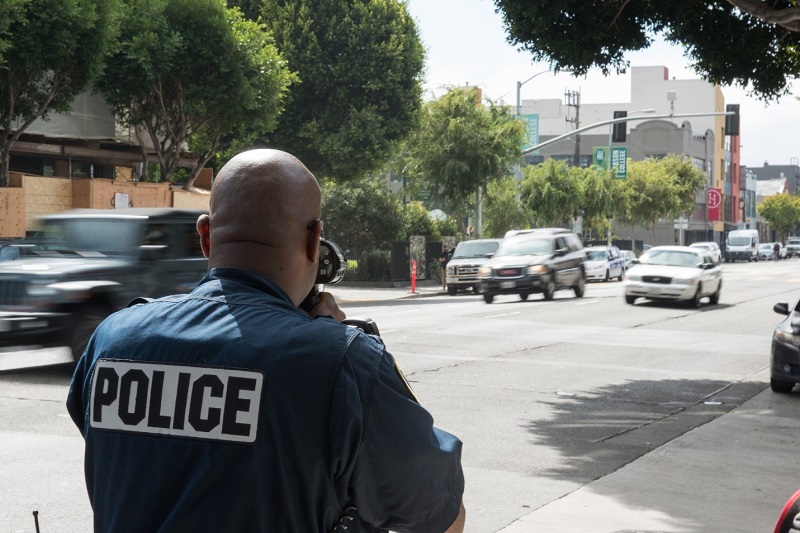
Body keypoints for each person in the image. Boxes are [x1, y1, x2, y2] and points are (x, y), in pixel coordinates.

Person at [66, 149, 466, 532]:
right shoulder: (342, 362)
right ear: (314, 241)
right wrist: (328, 343)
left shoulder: (112, 339)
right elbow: (441, 515)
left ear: (206, 236)